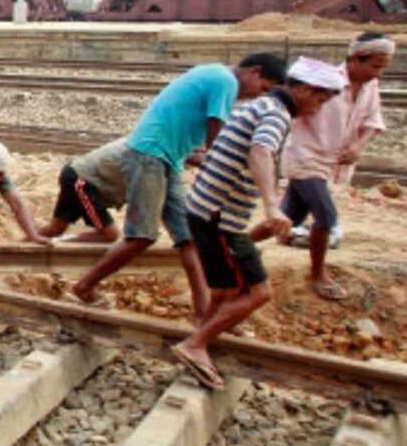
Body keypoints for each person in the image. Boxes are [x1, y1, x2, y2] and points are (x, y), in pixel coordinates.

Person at [68, 54, 287, 322]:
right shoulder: (225, 81)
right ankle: (84, 286)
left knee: (189, 240)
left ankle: (203, 314)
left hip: (169, 158)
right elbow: (215, 132)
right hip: (150, 153)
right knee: (141, 236)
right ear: (255, 71)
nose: (256, 96)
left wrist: (200, 159)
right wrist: (222, 170)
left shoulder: (217, 75)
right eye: (262, 88)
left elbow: (195, 133)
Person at [171, 57, 345, 389]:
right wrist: (271, 205)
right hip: (219, 216)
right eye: (320, 99)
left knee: (225, 288)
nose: (320, 108)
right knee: (258, 291)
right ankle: (195, 345)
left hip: (207, 209)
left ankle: (203, 336)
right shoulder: (276, 115)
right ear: (305, 89)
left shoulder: (261, 105)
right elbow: (260, 152)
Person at [263, 32, 393, 301]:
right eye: (375, 66)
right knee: (326, 216)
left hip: (332, 162)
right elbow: (295, 108)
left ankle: (232, 249)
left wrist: (359, 146)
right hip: (305, 156)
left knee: (285, 219)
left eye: (382, 67)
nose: (377, 73)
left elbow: (372, 120)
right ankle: (317, 275)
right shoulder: (325, 82)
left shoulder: (371, 87)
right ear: (355, 59)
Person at [38, 137, 131, 244]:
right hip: (82, 181)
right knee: (111, 235)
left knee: (55, 229)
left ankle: (27, 242)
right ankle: (55, 241)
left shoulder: (140, 141)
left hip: (74, 172)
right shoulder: (145, 150)